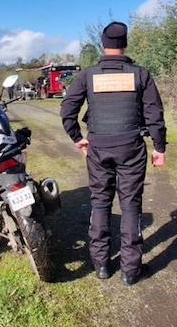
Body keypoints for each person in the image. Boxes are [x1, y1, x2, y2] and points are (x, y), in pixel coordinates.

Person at [60, 21, 166, 285]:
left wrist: (78, 139)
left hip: (98, 148)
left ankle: (101, 266)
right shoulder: (141, 74)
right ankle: (131, 271)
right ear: (125, 44)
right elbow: (154, 114)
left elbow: (67, 110)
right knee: (130, 206)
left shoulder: (88, 75)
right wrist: (159, 147)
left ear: (103, 45)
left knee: (99, 203)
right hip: (131, 147)